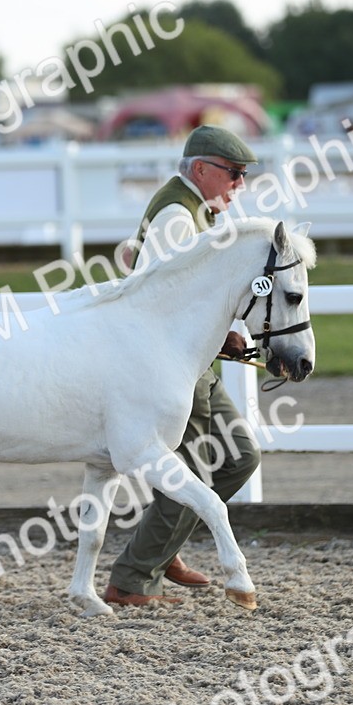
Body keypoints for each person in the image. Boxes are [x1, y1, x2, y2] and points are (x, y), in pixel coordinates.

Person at [103, 124, 262, 607]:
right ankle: (133, 579)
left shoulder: (190, 209)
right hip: (174, 369)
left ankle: (159, 550)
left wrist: (221, 337)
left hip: (194, 363)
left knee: (237, 458)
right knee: (199, 465)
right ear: (201, 169)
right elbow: (162, 299)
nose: (240, 184)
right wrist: (220, 339)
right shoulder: (178, 214)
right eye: (234, 174)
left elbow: (145, 268)